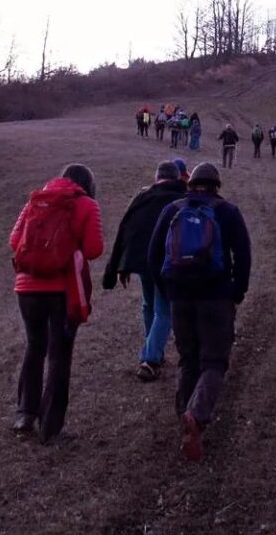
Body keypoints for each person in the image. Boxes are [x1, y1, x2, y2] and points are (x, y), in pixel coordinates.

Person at [148, 162, 251, 463]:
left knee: (188, 358)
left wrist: (167, 290)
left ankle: (184, 415)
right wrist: (237, 293)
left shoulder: (172, 210)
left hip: (179, 296)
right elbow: (243, 256)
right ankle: (197, 413)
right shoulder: (228, 211)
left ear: (191, 183)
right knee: (215, 361)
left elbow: (154, 255)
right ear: (217, 185)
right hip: (216, 296)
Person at [9, 163, 104, 441]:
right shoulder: (86, 204)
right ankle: (50, 427)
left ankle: (25, 414)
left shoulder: (36, 200)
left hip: (26, 287)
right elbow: (94, 249)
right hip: (62, 291)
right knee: (59, 355)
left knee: (35, 346)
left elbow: (14, 240)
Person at [102, 162, 188, 380]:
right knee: (164, 311)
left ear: (157, 177)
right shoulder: (182, 199)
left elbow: (126, 229)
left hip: (142, 263)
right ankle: (150, 358)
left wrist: (119, 267)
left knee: (149, 306)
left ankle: (154, 354)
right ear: (177, 177)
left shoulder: (143, 197)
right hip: (167, 264)